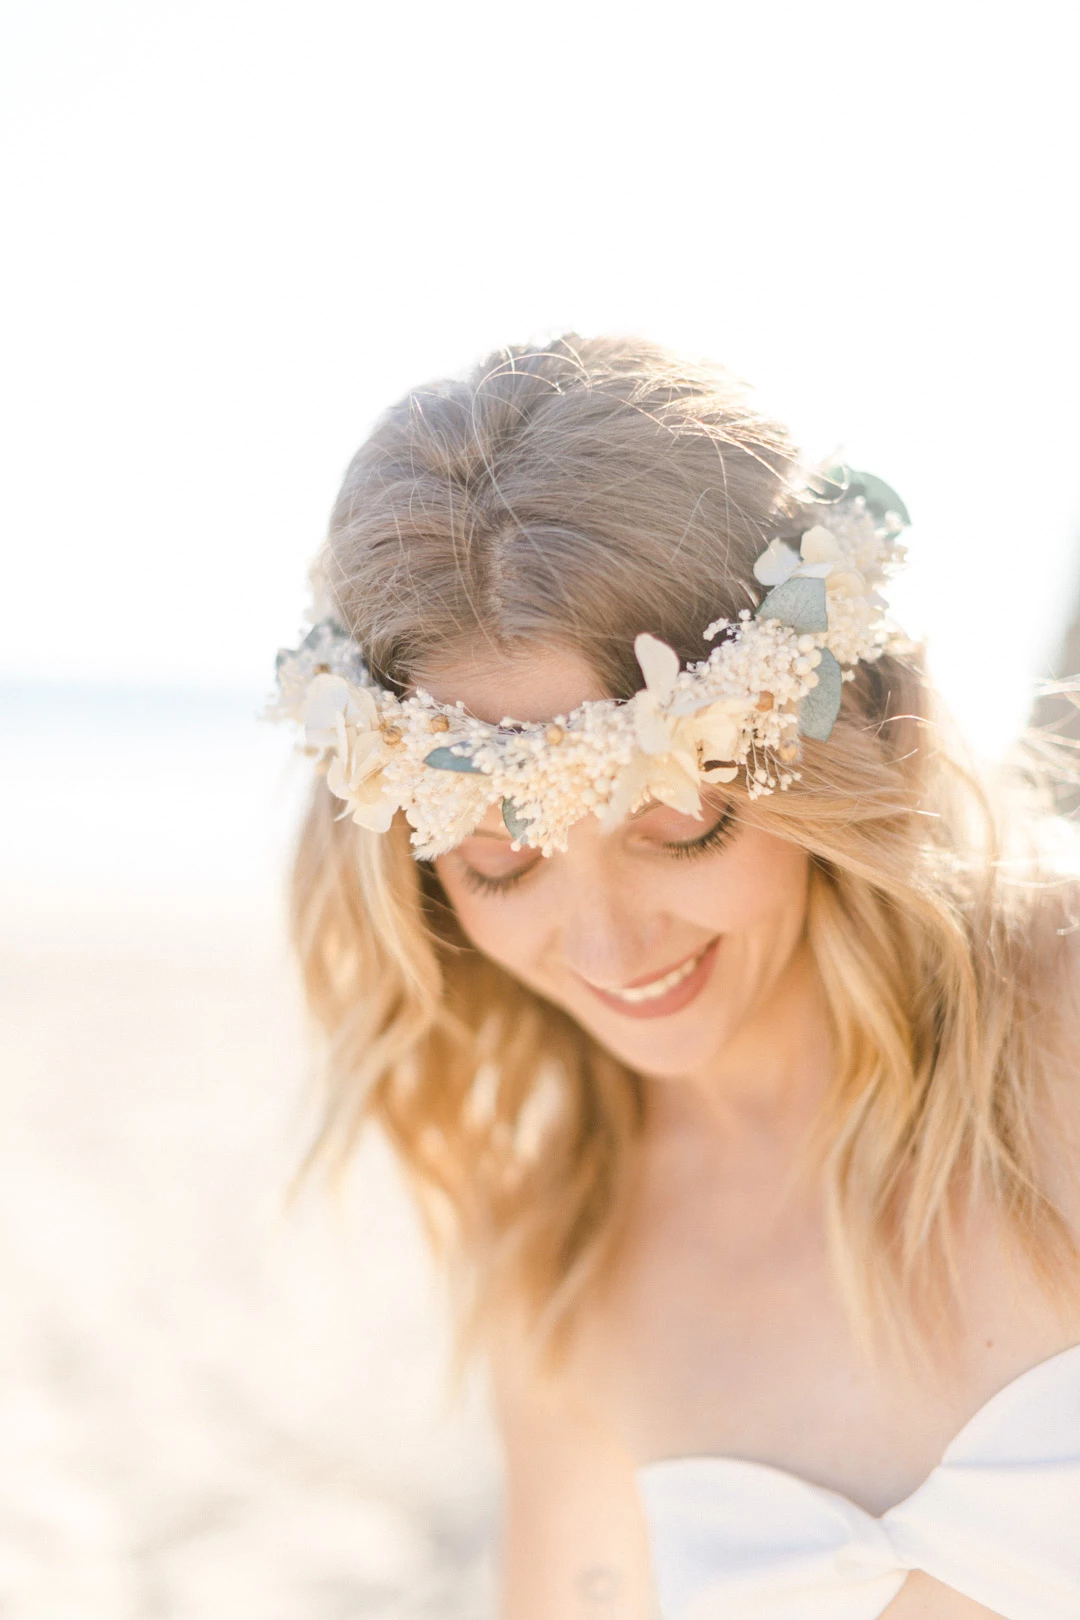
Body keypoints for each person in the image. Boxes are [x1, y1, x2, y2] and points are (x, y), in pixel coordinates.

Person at [270, 336, 1080, 1620]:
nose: (606, 947)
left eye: (681, 823)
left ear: (830, 743)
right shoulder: (567, 1268)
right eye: (499, 860)